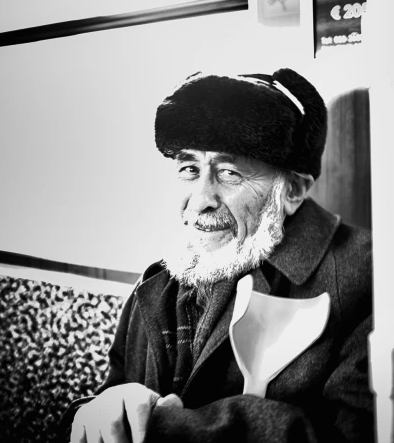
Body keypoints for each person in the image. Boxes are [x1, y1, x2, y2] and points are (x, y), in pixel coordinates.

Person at [59, 68, 374, 442]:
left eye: (229, 173)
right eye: (190, 169)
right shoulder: (158, 283)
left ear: (292, 191)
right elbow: (106, 400)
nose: (201, 201)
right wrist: (93, 416)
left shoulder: (368, 273)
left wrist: (165, 431)